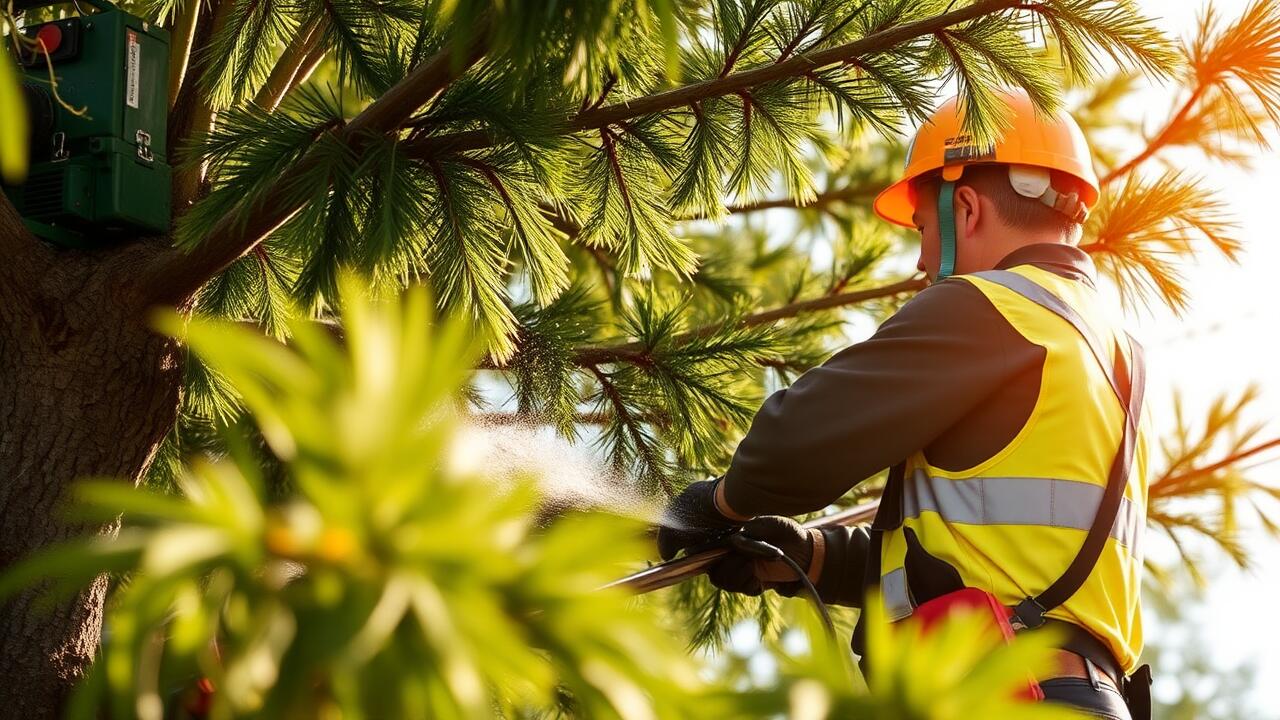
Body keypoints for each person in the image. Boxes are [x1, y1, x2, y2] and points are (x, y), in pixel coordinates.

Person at [656, 89, 1151, 720]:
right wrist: (814, 559)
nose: (921, 261)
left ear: (965, 208)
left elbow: (796, 446)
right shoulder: (1115, 350)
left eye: (922, 227)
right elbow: (996, 561)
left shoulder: (992, 308)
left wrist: (719, 502)